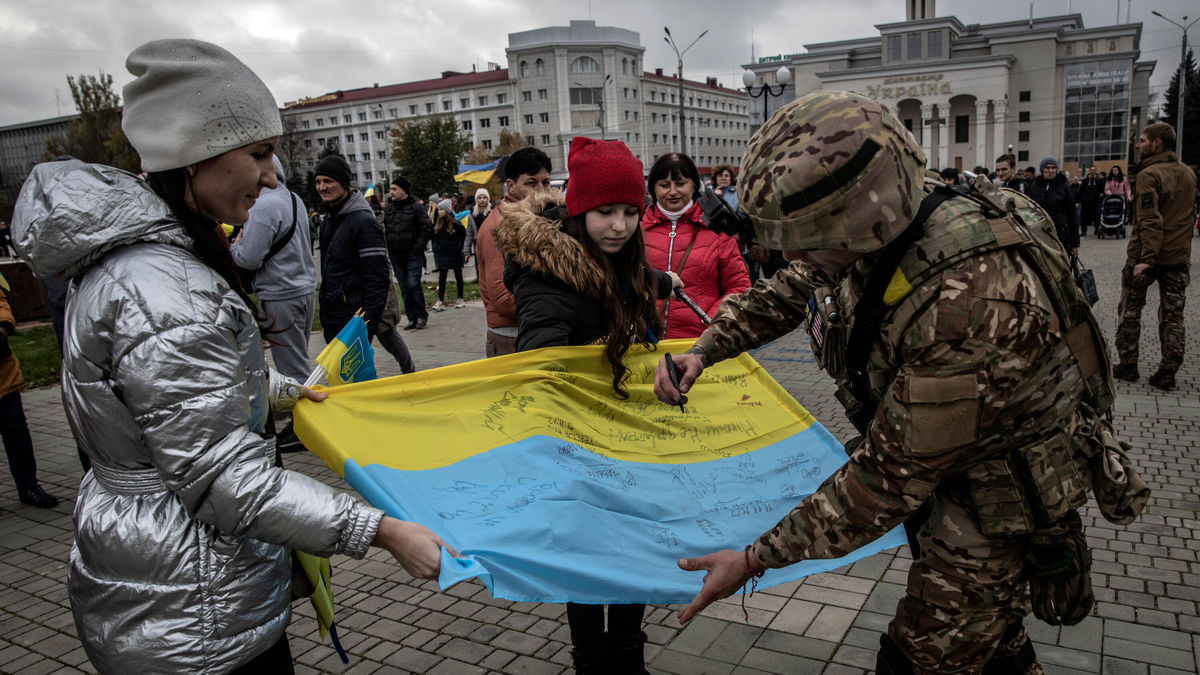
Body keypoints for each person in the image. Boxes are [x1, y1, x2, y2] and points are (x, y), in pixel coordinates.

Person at [12, 39, 451, 673]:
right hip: (196, 607)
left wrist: (279, 391)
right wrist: (381, 530)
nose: (273, 176)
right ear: (194, 156)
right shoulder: (163, 290)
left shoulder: (144, 266)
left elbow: (166, 398)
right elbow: (225, 482)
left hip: (166, 583)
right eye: (259, 153)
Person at [653, 91, 1127, 675]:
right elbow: (790, 290)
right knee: (993, 647)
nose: (790, 253)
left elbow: (882, 481)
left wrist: (753, 559)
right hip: (950, 479)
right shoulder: (884, 227)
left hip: (999, 503)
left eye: (805, 234)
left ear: (858, 213)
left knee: (921, 655)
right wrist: (703, 349)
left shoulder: (969, 302)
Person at [498, 137, 678, 674]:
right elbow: (540, 358)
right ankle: (590, 661)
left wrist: (660, 283)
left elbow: (627, 285)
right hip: (577, 443)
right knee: (587, 554)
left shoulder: (623, 261)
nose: (619, 225)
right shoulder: (548, 277)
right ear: (579, 211)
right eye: (605, 212)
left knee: (633, 545)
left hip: (629, 434)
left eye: (629, 212)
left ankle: (628, 656)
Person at [1113, 121, 1198, 391]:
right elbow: (1189, 216)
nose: (1138, 145)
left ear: (1157, 144)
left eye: (1142, 140)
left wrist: (1146, 258)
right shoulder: (1187, 174)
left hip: (1146, 257)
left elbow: (1150, 220)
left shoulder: (1149, 176)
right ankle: (1167, 371)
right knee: (1173, 316)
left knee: (1130, 311)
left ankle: (1128, 364)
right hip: (1177, 258)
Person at [316, 157, 416, 372]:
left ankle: (409, 372)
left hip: (357, 314)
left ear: (343, 183)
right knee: (342, 375)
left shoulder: (362, 221)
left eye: (328, 181)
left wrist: (367, 322)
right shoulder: (328, 221)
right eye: (318, 182)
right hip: (335, 313)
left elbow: (376, 276)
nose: (322, 187)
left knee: (359, 371)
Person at [642, 153, 749, 339]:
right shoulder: (637, 229)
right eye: (664, 185)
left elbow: (739, 287)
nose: (673, 191)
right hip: (646, 344)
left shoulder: (716, 230)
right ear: (652, 189)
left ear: (694, 185)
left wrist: (709, 322)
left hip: (698, 346)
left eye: (680, 183)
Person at [231, 156, 317, 382]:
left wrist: (234, 247)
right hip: (304, 289)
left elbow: (249, 258)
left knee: (292, 370)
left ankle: (301, 415)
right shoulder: (294, 198)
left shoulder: (262, 205)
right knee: (298, 359)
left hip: (280, 294)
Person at [476, 147, 553, 357]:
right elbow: (503, 299)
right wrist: (557, 303)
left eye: (545, 183)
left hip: (536, 330)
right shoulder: (499, 225)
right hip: (511, 337)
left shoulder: (539, 218)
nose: (541, 191)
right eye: (531, 183)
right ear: (510, 185)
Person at [0, 287, 57, 508]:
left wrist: (2, 329)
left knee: (16, 432)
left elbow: (1, 303)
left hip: (2, 376)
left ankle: (29, 486)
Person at [383, 176, 433, 330]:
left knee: (413, 284)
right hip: (396, 255)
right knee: (404, 287)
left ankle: (421, 315)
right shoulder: (389, 209)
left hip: (412, 254)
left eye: (394, 189)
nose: (391, 192)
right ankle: (411, 317)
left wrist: (417, 248)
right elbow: (386, 230)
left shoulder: (416, 208)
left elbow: (426, 228)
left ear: (404, 190)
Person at [1028, 156, 1079, 256]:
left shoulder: (1064, 187)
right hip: (1040, 232)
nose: (1050, 171)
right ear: (1042, 169)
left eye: (1053, 168)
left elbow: (1072, 214)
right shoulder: (1035, 186)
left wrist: (1075, 243)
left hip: (1060, 232)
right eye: (1047, 168)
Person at [431, 199, 467, 310]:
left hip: (454, 253)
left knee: (458, 275)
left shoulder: (456, 224)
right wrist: (437, 247)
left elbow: (462, 235)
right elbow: (435, 237)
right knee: (442, 277)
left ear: (446, 210)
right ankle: (440, 300)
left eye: (441, 209)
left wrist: (458, 247)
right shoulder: (439, 224)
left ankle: (460, 298)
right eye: (439, 210)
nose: (439, 212)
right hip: (443, 253)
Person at [1078, 166, 1106, 237]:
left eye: (1094, 170)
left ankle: (1097, 229)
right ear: (1089, 171)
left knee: (1096, 216)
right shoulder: (1085, 181)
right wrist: (1078, 200)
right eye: (1091, 170)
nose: (1093, 171)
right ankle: (1083, 230)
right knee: (1084, 216)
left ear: (1096, 171)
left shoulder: (1099, 181)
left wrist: (1102, 194)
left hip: (1095, 201)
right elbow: (1080, 191)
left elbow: (1102, 190)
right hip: (1086, 201)